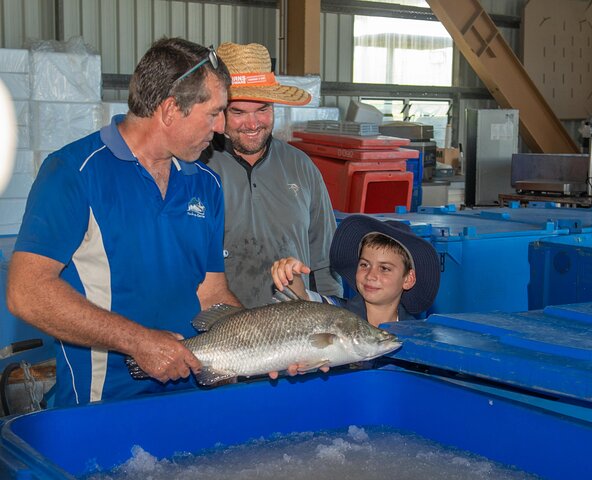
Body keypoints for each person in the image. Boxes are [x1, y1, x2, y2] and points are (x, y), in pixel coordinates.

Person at [6, 38, 244, 408]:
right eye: (214, 113)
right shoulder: (74, 173)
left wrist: (261, 343)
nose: (222, 127)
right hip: (103, 406)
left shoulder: (205, 183)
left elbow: (210, 293)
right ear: (169, 110)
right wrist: (139, 342)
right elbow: (27, 292)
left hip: (192, 398)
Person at [203, 42, 342, 308]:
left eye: (262, 110)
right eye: (238, 112)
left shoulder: (302, 167)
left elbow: (325, 262)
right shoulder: (198, 167)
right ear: (219, 110)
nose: (253, 124)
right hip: (219, 332)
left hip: (294, 335)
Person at [271, 215, 441, 327]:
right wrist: (290, 276)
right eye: (365, 265)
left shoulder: (415, 333)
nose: (371, 275)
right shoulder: (337, 313)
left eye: (384, 268)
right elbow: (303, 300)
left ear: (408, 279)